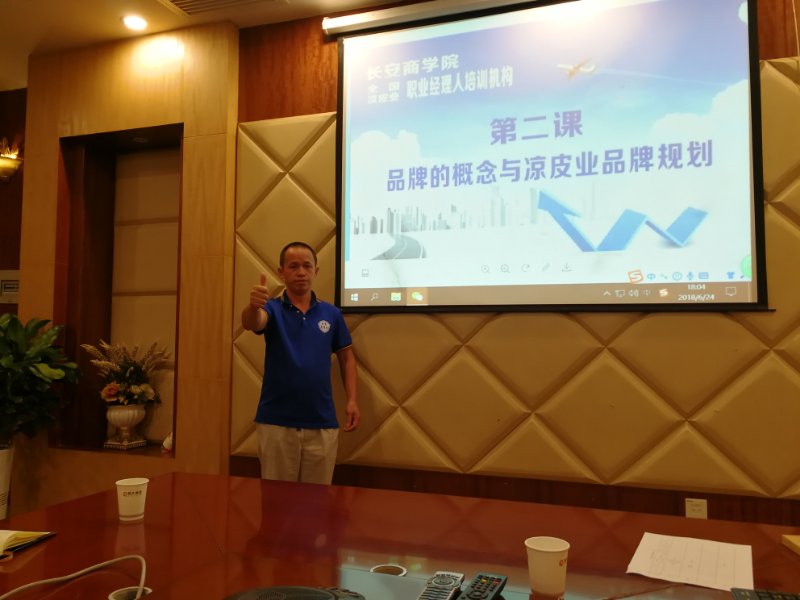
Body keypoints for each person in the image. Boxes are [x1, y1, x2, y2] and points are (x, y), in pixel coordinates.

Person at [241, 241, 360, 485]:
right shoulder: (272, 308)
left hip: (322, 422)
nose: (301, 272)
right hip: (276, 423)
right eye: (293, 266)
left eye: (307, 266)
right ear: (281, 272)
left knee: (317, 502)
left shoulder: (331, 314)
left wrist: (352, 400)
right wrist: (253, 307)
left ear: (316, 271)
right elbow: (253, 322)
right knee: (276, 501)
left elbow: (347, 358)